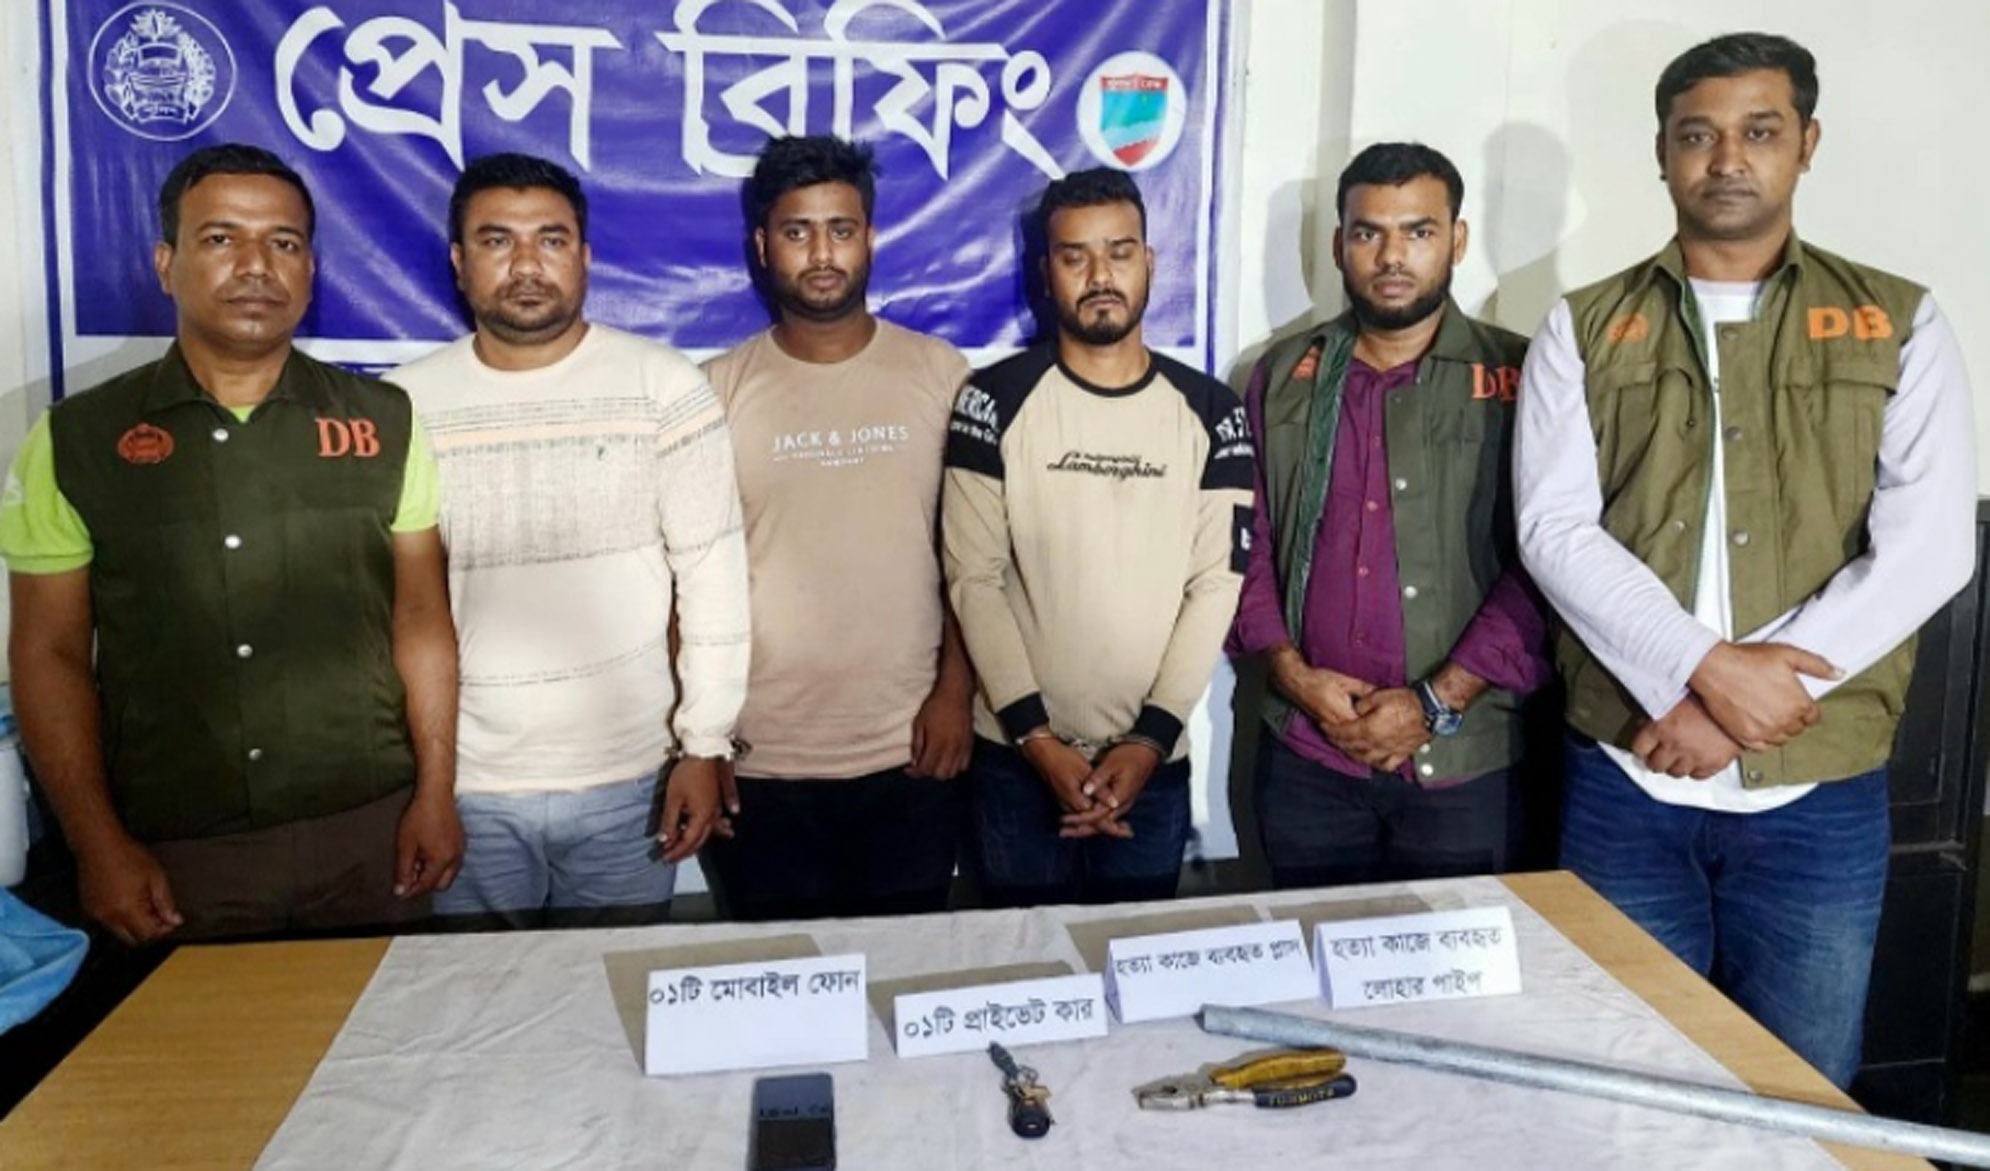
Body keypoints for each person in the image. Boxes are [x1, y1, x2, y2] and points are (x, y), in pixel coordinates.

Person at [1513, 32, 1976, 1087]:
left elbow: (1931, 544)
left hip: (1818, 788)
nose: (1727, 158)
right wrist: (1702, 672)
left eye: (1759, 131)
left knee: (1800, 1087)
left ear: (1806, 143)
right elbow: (1555, 531)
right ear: (1661, 154)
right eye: (1697, 135)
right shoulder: (1584, 326)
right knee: (1621, 1083)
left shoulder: (1896, 320)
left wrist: (1732, 708)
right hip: (1627, 774)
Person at [0, 143, 463, 943]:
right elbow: (49, 653)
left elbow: (422, 618)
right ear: (165, 263)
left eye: (283, 242)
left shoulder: (384, 421)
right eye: (221, 238)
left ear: (310, 270)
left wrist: (435, 793)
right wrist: (97, 844)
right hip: (175, 852)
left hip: (369, 833)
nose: (256, 265)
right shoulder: (77, 439)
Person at [389, 153, 750, 929]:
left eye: (550, 240)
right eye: (497, 241)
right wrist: (430, 785)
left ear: (585, 256)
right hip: (468, 787)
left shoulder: (664, 386)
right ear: (458, 261)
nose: (526, 265)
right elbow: (400, 609)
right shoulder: (404, 405)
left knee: (611, 993)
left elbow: (712, 576)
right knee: (477, 994)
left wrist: (705, 742)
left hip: (631, 778)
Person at [1229, 143, 1552, 889]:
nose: (1392, 256)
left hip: (1465, 763)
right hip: (1308, 752)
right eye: (1368, 233)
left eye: (1418, 231)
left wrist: (1436, 702)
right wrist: (1293, 676)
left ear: (1457, 240)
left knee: (1455, 961)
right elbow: (1247, 543)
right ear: (1339, 244)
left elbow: (1548, 557)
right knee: (1308, 949)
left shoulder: (1519, 375)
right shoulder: (1284, 376)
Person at [943, 167, 1253, 907]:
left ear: (1150, 262)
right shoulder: (992, 399)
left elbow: (1216, 585)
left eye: (1119, 252)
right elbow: (972, 579)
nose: (1100, 275)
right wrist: (1037, 741)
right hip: (1015, 762)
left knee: (1137, 965)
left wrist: (1149, 739)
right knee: (1023, 959)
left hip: (1152, 766)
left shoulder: (1212, 411)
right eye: (1074, 256)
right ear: (1045, 273)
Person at [702, 136, 974, 921]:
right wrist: (704, 738)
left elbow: (974, 560)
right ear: (762, 246)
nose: (822, 254)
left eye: (841, 230)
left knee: (905, 973)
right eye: (797, 232)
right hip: (761, 758)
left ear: (870, 238)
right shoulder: (715, 391)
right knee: (776, 977)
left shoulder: (941, 375)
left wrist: (955, 692)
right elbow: (690, 582)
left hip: (911, 747)